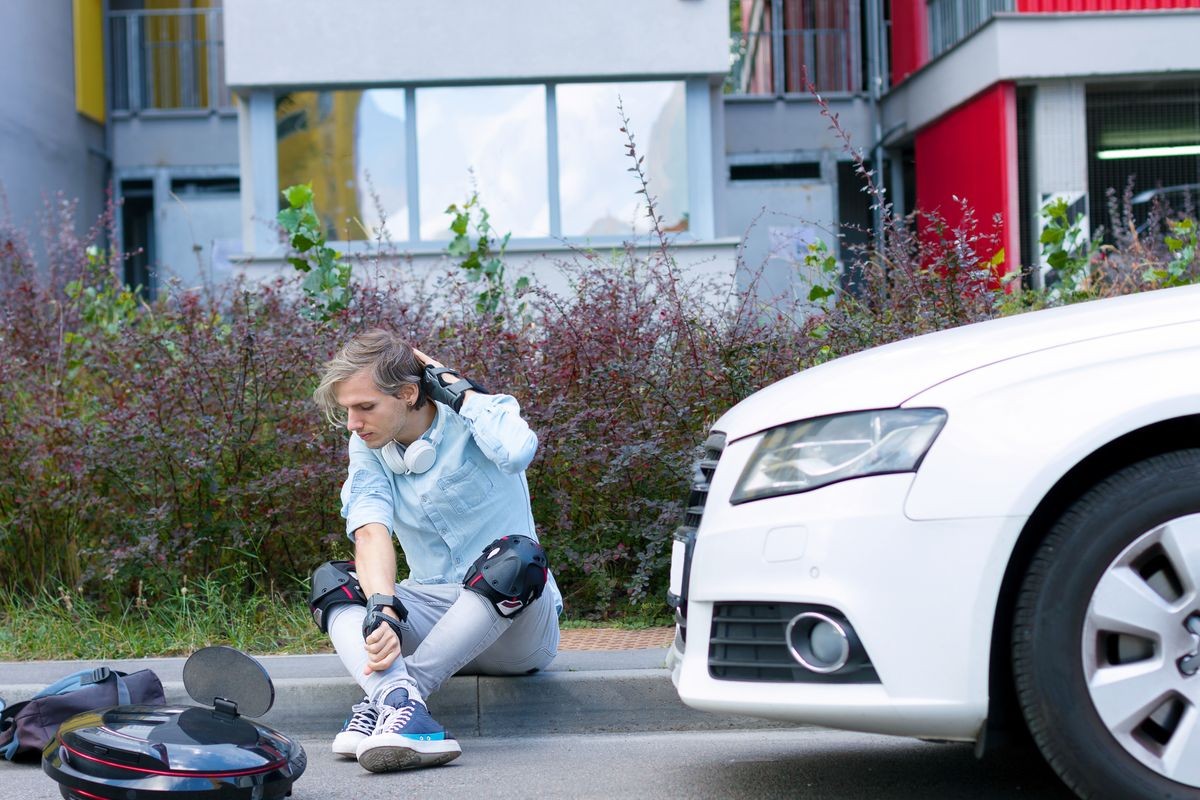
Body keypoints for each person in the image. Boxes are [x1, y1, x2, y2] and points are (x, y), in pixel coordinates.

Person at [309, 329, 561, 773]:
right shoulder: (367, 447)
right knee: (335, 580)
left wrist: (460, 391)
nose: (352, 422)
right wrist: (383, 606)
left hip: (515, 623)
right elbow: (370, 531)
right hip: (430, 615)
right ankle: (398, 704)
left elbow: (519, 450)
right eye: (347, 410)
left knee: (517, 555)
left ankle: (398, 696)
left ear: (408, 393)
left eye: (364, 407)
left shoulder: (478, 418)